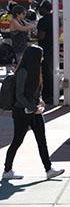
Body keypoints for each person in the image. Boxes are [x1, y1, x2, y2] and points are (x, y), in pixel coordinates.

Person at [2, 45, 65, 180]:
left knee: (42, 140)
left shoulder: (35, 70)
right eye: (40, 56)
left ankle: (49, 169)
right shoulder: (23, 71)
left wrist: (40, 101)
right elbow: (20, 95)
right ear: (34, 57)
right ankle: (7, 170)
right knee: (17, 141)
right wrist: (33, 107)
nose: (42, 59)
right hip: (22, 112)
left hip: (34, 111)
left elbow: (35, 91)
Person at [36, 0, 54, 105]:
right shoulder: (55, 19)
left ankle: (47, 96)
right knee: (50, 72)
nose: (39, 10)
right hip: (53, 48)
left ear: (44, 9)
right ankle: (52, 94)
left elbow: (41, 36)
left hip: (44, 49)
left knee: (46, 73)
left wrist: (34, 35)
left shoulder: (42, 21)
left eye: (40, 8)